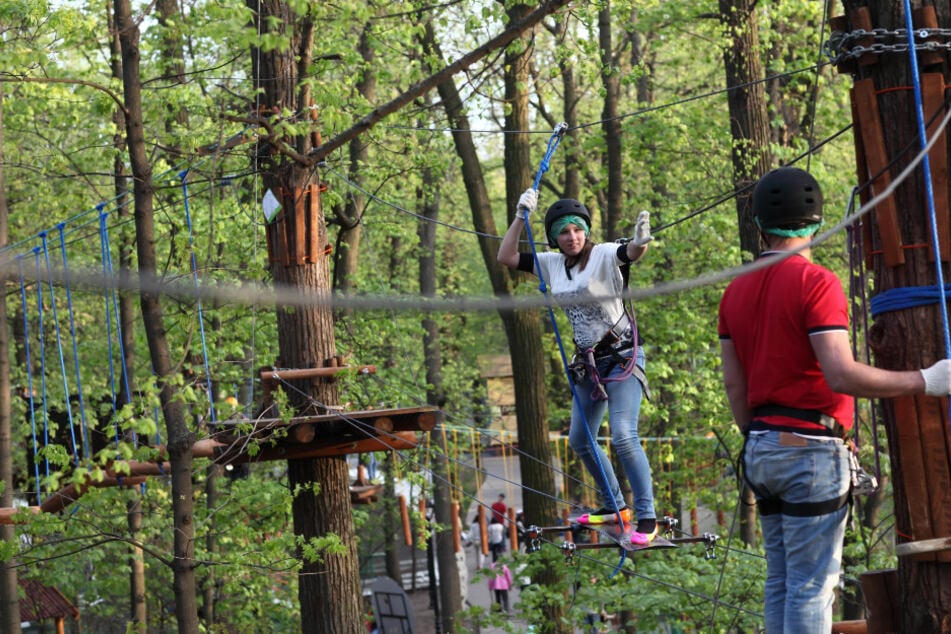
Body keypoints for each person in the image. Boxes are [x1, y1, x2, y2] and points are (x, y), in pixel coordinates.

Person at [717, 166, 951, 634]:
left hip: (762, 450)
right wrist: (925, 380)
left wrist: (769, 440)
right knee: (812, 587)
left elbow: (735, 389)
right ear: (816, 223)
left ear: (759, 224)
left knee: (782, 580)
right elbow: (840, 373)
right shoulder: (816, 282)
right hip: (807, 454)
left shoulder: (734, 291)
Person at [498, 188, 658, 545]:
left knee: (623, 436)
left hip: (622, 357)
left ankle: (647, 515)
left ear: (586, 231)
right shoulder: (552, 264)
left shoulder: (602, 255)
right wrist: (519, 216)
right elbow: (506, 256)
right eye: (563, 232)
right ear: (554, 237)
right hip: (589, 363)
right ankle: (615, 505)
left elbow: (629, 252)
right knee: (580, 440)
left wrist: (640, 242)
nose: (571, 238)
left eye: (577, 230)